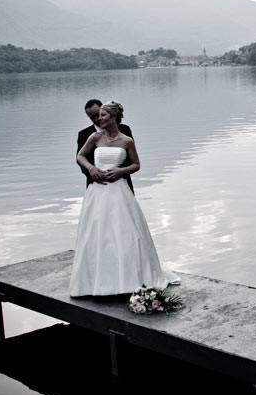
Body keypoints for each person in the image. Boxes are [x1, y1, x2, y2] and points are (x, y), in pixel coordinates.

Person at [69, 101, 179, 297]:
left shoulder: (126, 139)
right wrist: (91, 169)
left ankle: (129, 278)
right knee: (97, 234)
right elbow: (80, 156)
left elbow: (136, 164)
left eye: (102, 115)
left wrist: (121, 171)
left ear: (113, 117)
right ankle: (95, 282)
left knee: (125, 233)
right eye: (95, 116)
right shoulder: (93, 137)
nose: (98, 119)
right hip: (98, 191)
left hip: (120, 190)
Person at [77, 99, 134, 193]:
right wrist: (92, 171)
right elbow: (80, 158)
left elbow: (132, 160)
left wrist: (120, 172)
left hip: (122, 185)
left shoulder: (125, 130)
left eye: (98, 114)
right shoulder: (84, 134)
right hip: (96, 185)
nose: (97, 119)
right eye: (92, 117)